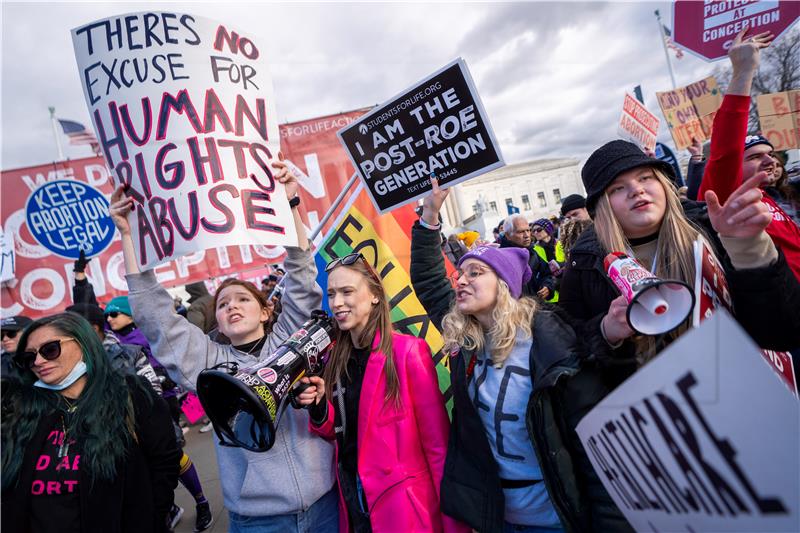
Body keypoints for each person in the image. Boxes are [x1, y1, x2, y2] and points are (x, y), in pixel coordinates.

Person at [109, 159, 339, 533]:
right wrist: (129, 235)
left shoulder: (291, 340)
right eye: (223, 303)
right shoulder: (207, 366)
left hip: (325, 506)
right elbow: (155, 315)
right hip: (259, 521)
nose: (232, 305)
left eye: (242, 299)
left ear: (267, 312)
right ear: (215, 321)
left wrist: (291, 203)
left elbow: (301, 270)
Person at [411, 178, 629, 533]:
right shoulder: (468, 339)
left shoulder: (550, 343)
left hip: (558, 521)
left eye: (475, 273)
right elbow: (428, 280)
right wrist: (430, 216)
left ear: (505, 286)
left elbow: (595, 456)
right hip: (500, 520)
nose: (461, 281)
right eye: (460, 273)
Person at [560, 139, 800, 376]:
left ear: (663, 184)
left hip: (743, 381)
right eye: (617, 188)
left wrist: (748, 247)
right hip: (665, 406)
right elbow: (570, 357)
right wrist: (605, 333)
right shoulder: (583, 264)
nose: (637, 190)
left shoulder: (711, 229)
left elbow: (782, 331)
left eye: (645, 177)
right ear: (602, 205)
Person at [295, 253, 467, 533]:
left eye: (347, 292)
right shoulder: (333, 358)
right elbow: (342, 432)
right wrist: (317, 408)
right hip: (352, 502)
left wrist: (454, 527)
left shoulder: (407, 352)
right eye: (332, 294)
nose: (336, 303)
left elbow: (439, 449)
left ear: (375, 295)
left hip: (403, 509)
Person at [1, 312, 180, 533]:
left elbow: (165, 463)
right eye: (29, 357)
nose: (38, 362)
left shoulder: (130, 394)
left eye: (50, 350)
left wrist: (150, 519)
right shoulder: (21, 407)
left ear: (83, 343)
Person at [696, 28, 800, 281]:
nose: (769, 160)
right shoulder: (726, 197)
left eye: (771, 154)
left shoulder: (770, 196)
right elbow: (726, 149)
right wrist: (743, 72)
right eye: (753, 157)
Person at [500, 214, 555, 300]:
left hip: (537, 306)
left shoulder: (533, 253)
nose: (527, 235)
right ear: (508, 235)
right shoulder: (500, 259)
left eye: (528, 230)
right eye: (521, 232)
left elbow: (547, 274)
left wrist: (547, 287)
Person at [531, 218, 565, 302]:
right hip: (549, 294)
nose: (535, 233)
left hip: (566, 286)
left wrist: (562, 265)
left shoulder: (561, 244)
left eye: (539, 230)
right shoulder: (534, 249)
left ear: (548, 229)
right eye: (533, 231)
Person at [1, 315, 32, 379]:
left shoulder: (47, 357)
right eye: (0, 336)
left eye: (11, 333)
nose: (5, 339)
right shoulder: (2, 361)